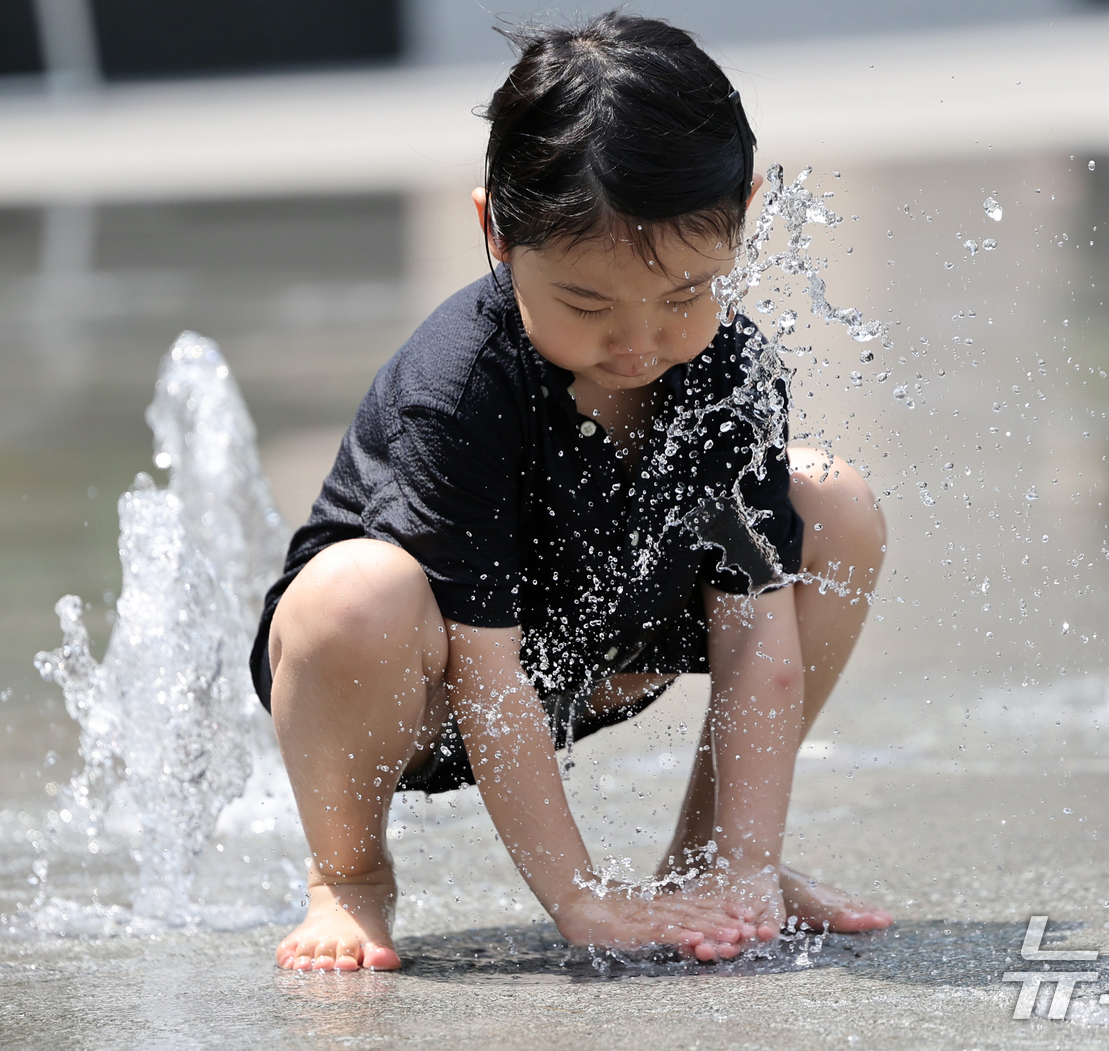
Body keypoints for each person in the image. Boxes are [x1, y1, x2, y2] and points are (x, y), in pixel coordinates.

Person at [252, 11, 890, 972]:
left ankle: (707, 865)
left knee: (833, 504)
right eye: (588, 304)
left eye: (685, 294)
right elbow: (486, 679)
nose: (638, 343)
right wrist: (581, 899)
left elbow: (758, 629)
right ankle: (349, 878)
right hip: (416, 685)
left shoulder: (731, 379)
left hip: (595, 655)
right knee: (355, 595)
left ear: (742, 216)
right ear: (495, 234)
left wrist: (749, 865)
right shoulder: (460, 387)